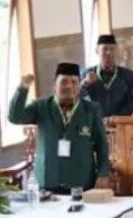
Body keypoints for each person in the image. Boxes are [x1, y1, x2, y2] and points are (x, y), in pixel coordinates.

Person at [7, 63, 111, 192]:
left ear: (79, 86)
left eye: (74, 82)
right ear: (55, 86)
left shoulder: (91, 109)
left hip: (81, 181)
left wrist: (103, 173)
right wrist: (22, 89)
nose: (69, 86)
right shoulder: (41, 106)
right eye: (64, 82)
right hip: (47, 182)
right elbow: (15, 117)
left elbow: (101, 144)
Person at [82, 34, 133, 117]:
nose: (108, 52)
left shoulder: (128, 75)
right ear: (97, 51)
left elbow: (132, 102)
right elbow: (78, 99)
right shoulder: (87, 74)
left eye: (112, 49)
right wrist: (85, 84)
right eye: (105, 49)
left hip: (120, 122)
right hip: (95, 121)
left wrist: (117, 119)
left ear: (116, 51)